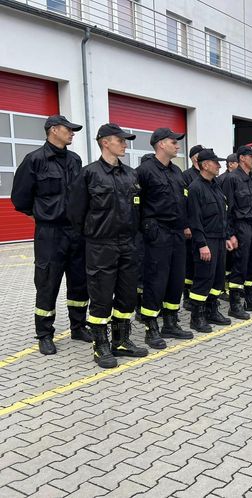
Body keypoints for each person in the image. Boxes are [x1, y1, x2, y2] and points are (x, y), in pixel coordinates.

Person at [67, 123, 148, 368]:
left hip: (128, 244)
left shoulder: (131, 174)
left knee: (126, 296)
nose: (125, 144)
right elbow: (75, 213)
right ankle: (100, 345)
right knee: (101, 297)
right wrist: (92, 238)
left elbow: (138, 209)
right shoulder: (89, 174)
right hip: (100, 245)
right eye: (120, 140)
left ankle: (121, 340)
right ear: (105, 142)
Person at [10, 114, 90, 355]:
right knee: (47, 283)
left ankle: (78, 326)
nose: (72, 133)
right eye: (69, 129)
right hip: (50, 233)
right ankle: (45, 334)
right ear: (54, 130)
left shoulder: (75, 160)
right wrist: (42, 215)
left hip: (75, 232)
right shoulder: (34, 160)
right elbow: (20, 198)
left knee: (79, 281)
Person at [137, 128, 193, 349]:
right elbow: (135, 205)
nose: (177, 146)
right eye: (173, 142)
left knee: (176, 279)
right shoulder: (144, 171)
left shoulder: (176, 171)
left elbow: (183, 201)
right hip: (156, 232)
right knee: (155, 281)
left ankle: (171, 322)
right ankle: (151, 328)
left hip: (177, 233)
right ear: (160, 144)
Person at [186, 148, 233, 333]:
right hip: (206, 241)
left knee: (218, 279)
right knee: (203, 279)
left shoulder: (215, 186)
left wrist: (227, 236)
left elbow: (223, 215)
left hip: (220, 239)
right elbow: (195, 220)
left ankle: (212, 310)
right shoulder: (196, 188)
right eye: (216, 163)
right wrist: (202, 244)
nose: (219, 166)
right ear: (205, 165)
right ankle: (197, 317)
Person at [222, 145, 252, 319]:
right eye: (251, 156)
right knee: (239, 265)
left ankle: (250, 299)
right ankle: (235, 304)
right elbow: (227, 209)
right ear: (242, 158)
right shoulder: (232, 179)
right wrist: (230, 234)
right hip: (240, 227)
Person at [182, 144, 205, 311]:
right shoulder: (187, 176)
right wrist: (186, 226)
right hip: (191, 228)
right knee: (190, 264)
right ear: (194, 158)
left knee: (200, 265)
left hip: (205, 227)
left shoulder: (208, 176)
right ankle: (188, 296)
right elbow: (184, 204)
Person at [217, 152, 239, 302]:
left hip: (236, 225)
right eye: (237, 162)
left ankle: (231, 285)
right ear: (231, 164)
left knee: (234, 259)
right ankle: (223, 287)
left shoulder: (237, 178)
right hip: (228, 226)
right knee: (227, 259)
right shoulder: (224, 179)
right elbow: (227, 206)